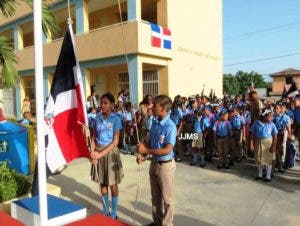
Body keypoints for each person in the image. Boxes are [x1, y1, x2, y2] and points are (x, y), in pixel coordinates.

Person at [137, 95, 176, 226]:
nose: (152, 107)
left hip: (165, 166)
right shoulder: (154, 121)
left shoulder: (170, 126)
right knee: (155, 199)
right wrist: (143, 154)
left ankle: (167, 224)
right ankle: (157, 222)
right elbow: (150, 140)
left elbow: (167, 150)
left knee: (167, 200)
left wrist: (146, 151)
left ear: (163, 108)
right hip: (154, 163)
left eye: (155, 105)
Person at [90, 92, 124, 219]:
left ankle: (114, 213)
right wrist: (92, 153)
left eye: (106, 103)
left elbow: (115, 141)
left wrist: (100, 154)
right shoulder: (96, 118)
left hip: (110, 153)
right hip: (98, 151)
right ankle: (105, 211)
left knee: (113, 184)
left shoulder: (116, 119)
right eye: (101, 103)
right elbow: (93, 138)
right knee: (102, 183)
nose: (102, 105)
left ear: (112, 105)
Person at [250, 108, 278, 182]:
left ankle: (268, 176)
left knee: (268, 160)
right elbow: (252, 133)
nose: (271, 118)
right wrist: (251, 143)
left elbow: (275, 135)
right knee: (259, 159)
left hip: (268, 142)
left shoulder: (271, 124)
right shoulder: (256, 123)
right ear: (264, 116)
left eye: (272, 116)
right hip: (258, 142)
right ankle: (260, 175)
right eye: (270, 116)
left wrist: (273, 145)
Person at [273, 102, 291, 173]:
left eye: (277, 108)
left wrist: (289, 134)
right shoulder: (274, 117)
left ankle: (282, 163)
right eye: (275, 108)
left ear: (280, 109)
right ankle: (278, 164)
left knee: (282, 148)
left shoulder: (286, 117)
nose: (275, 110)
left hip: (283, 133)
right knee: (276, 149)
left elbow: (288, 126)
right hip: (275, 134)